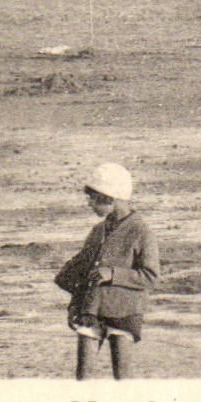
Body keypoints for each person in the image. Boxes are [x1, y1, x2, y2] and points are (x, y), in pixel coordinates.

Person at [55, 163, 159, 380]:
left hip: (124, 311)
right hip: (92, 310)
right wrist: (75, 305)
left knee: (123, 376)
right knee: (84, 376)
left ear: (110, 198)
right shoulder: (97, 231)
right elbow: (82, 273)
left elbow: (150, 276)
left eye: (93, 197)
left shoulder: (141, 231)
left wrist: (113, 274)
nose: (89, 203)